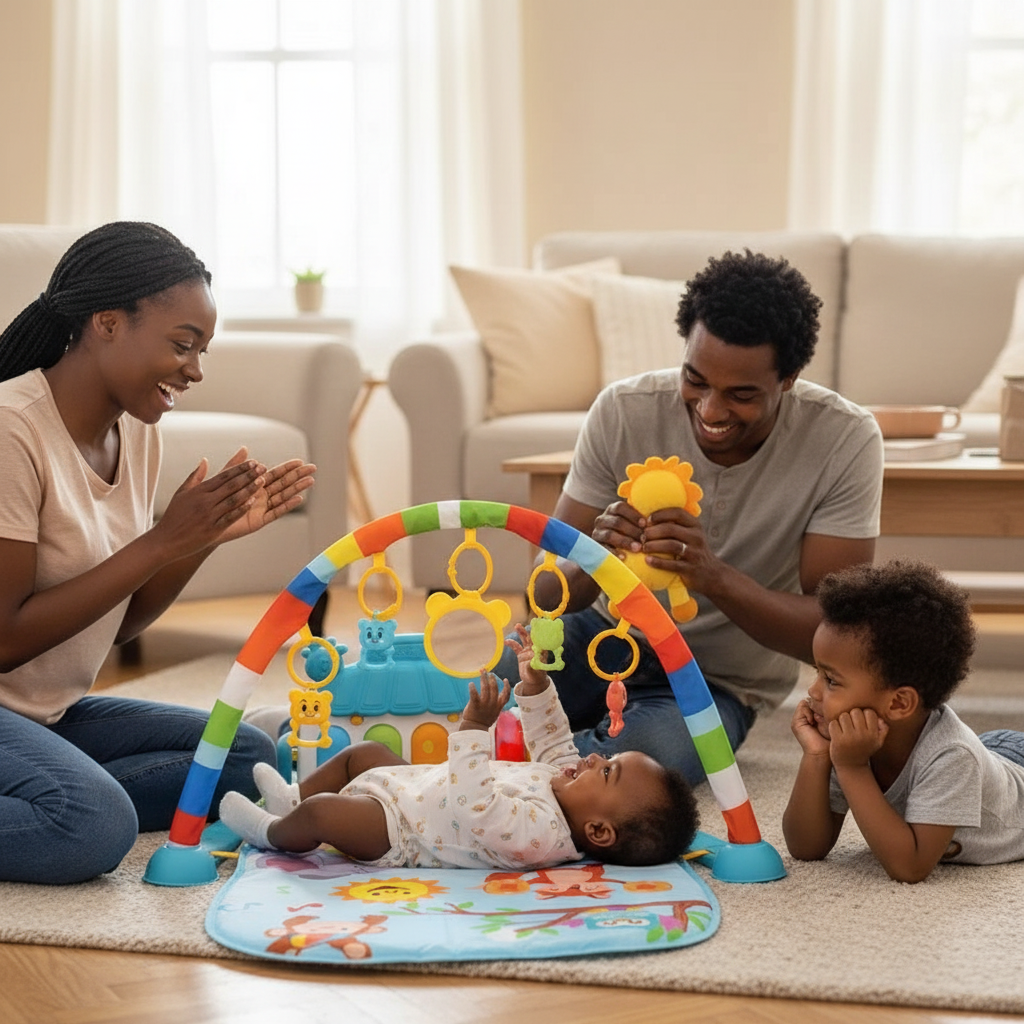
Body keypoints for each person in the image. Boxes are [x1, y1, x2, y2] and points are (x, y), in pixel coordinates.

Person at [0, 220, 317, 885]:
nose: (195, 370)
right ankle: (63, 795)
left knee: (245, 758)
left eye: (202, 349)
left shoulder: (134, 434)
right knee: (92, 824)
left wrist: (196, 541)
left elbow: (120, 627)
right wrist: (162, 539)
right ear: (108, 323)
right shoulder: (11, 432)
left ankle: (44, 784)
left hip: (44, 714)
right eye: (183, 344)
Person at [494, 249, 884, 784]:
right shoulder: (623, 411)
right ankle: (501, 766)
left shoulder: (844, 439)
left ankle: (506, 777)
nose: (710, 410)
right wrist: (595, 558)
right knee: (471, 704)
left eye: (741, 394)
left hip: (718, 681)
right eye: (695, 380)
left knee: (635, 776)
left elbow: (837, 632)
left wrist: (712, 576)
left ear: (789, 378)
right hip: (604, 633)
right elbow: (542, 599)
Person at [220, 624, 699, 868]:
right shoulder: (565, 784)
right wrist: (535, 685)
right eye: (608, 756)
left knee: (324, 814)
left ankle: (274, 830)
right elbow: (552, 738)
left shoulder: (541, 836)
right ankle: (291, 796)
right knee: (361, 756)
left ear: (597, 831)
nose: (594, 757)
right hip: (414, 785)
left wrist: (473, 729)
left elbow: (476, 806)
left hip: (400, 830)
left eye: (608, 771)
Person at [783, 559, 1024, 883]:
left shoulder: (952, 757)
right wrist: (817, 757)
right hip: (991, 753)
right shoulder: (855, 738)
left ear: (898, 703)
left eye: (831, 680)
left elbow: (910, 866)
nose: (812, 691)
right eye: (817, 673)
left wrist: (852, 767)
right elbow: (806, 848)